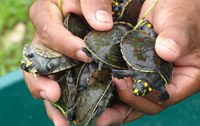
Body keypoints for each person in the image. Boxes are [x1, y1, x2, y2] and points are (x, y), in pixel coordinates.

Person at [23, 0, 200, 125]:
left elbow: (158, 88)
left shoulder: (145, 78)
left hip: (139, 45)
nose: (137, 90)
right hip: (128, 40)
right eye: (140, 88)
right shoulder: (147, 78)